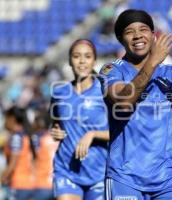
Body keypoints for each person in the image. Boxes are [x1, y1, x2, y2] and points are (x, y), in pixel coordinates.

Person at [100, 9, 172, 200]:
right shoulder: (112, 70)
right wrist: (152, 62)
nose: (138, 35)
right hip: (125, 177)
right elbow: (124, 102)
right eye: (129, 31)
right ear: (120, 38)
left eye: (143, 29)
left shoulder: (171, 72)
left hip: (167, 177)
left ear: (152, 34)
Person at [49, 39, 109, 200]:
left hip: (99, 172)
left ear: (94, 60)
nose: (82, 61)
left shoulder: (105, 92)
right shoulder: (59, 92)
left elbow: (121, 132)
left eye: (87, 56)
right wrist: (54, 130)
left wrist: (93, 134)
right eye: (76, 56)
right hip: (66, 170)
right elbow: (55, 122)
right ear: (69, 60)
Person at [1, 106, 35, 200]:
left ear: (12, 119)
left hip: (19, 184)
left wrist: (2, 179)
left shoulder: (16, 137)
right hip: (30, 184)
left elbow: (13, 164)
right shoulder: (26, 135)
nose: (5, 122)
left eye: (6, 118)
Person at [31, 111, 58, 200]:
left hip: (42, 183)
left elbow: (32, 159)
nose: (33, 124)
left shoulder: (37, 137)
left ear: (40, 123)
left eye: (35, 121)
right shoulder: (57, 137)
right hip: (57, 184)